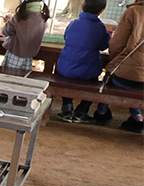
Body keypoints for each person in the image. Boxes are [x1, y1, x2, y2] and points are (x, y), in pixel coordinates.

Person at [56, 0, 111, 123]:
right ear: (101, 11)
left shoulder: (73, 23)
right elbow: (104, 45)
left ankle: (66, 109)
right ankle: (81, 112)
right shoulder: (100, 28)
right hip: (88, 71)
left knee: (65, 79)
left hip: (66, 68)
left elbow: (66, 38)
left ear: (82, 6)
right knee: (93, 84)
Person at [93, 0, 144, 134]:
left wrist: (116, 59)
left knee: (110, 78)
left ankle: (102, 112)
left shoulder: (133, 11)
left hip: (126, 77)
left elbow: (117, 43)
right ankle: (137, 117)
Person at [0, 0, 50, 72]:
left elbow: (5, 32)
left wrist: (8, 21)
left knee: (8, 76)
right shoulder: (43, 19)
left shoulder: (19, 17)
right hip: (29, 56)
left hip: (14, 53)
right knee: (23, 78)